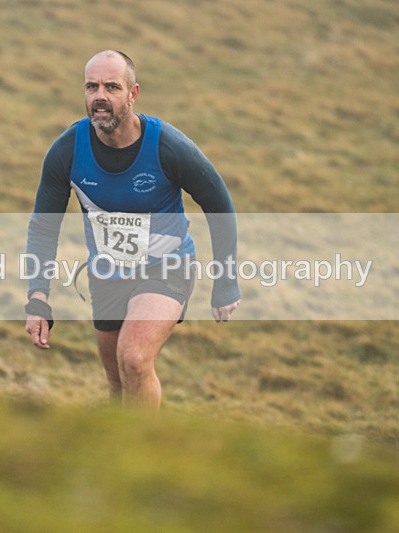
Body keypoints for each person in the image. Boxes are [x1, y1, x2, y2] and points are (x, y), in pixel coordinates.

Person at [24, 50, 240, 410]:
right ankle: (120, 442)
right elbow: (44, 226)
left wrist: (226, 281)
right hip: (107, 273)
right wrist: (38, 296)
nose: (100, 96)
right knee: (117, 381)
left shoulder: (168, 146)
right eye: (92, 87)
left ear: (133, 93)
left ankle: (147, 444)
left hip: (166, 267)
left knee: (135, 358)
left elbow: (220, 206)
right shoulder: (68, 151)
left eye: (112, 87)